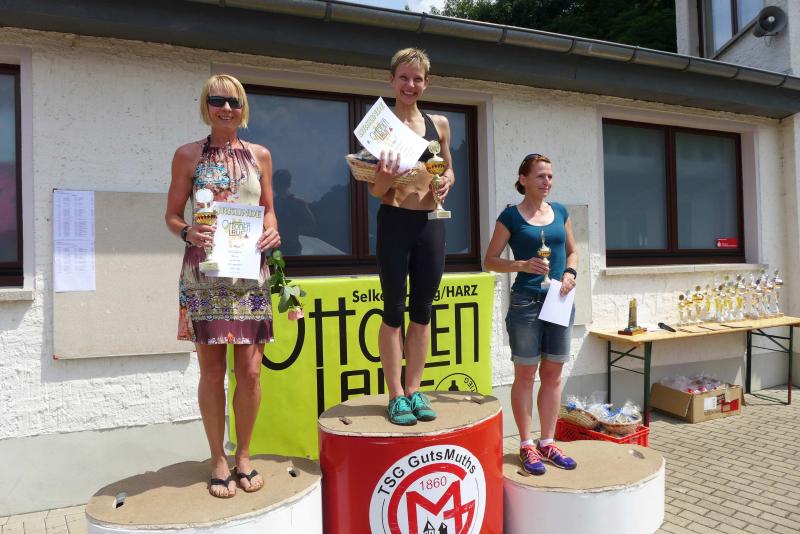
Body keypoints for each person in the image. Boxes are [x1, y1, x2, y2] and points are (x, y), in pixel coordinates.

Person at [165, 74, 281, 498]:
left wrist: (272, 231)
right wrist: (186, 231)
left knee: (249, 372)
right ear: (206, 105)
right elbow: (172, 215)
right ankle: (218, 459)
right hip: (206, 274)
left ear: (243, 107)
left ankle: (243, 455)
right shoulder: (187, 155)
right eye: (218, 100)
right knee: (213, 373)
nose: (226, 108)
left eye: (234, 101)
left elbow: (268, 210)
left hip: (250, 274)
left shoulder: (260, 155)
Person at [369, 48, 455, 425]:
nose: (410, 84)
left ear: (426, 83)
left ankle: (415, 389)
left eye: (417, 79)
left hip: (431, 224)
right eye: (403, 77)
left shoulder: (440, 124)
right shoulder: (380, 126)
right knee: (393, 310)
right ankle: (395, 395)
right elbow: (374, 189)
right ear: (391, 80)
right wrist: (383, 179)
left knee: (422, 311)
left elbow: (448, 170)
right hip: (394, 220)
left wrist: (447, 181)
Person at [483, 153, 578, 475]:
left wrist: (571, 273)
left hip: (559, 300)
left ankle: (547, 442)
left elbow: (573, 251)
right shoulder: (510, 217)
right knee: (525, 375)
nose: (546, 181)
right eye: (540, 176)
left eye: (549, 176)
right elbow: (490, 260)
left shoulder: (560, 212)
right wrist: (521, 265)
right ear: (523, 179)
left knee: (553, 375)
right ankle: (526, 445)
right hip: (526, 302)